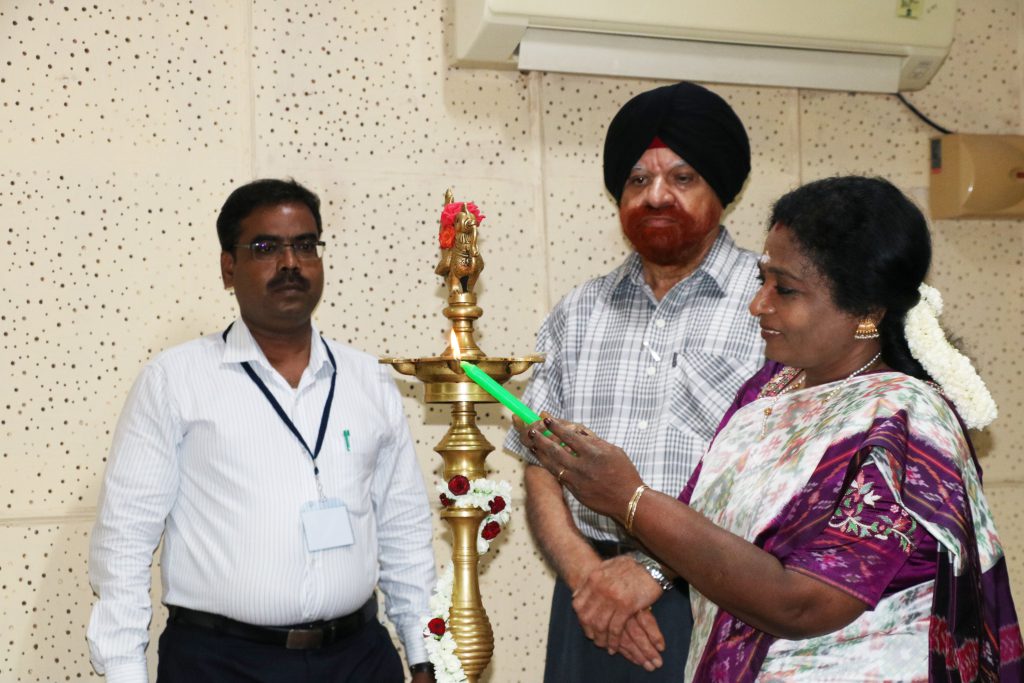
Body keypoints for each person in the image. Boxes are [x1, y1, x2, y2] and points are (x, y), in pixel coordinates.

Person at [517, 176, 1023, 681]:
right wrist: (627, 526)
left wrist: (628, 497)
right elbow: (700, 520)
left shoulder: (905, 423)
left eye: (785, 289)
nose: (758, 303)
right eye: (762, 280)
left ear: (866, 310)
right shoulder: (770, 389)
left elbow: (804, 604)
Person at [87, 179, 437, 683]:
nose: (291, 263)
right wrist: (124, 671)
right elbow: (124, 542)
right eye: (266, 248)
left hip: (358, 659)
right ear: (228, 267)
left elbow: (404, 532)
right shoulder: (175, 380)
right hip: (221, 664)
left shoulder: (369, 380)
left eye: (305, 245)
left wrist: (425, 656)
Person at [504, 81, 764, 680]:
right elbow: (540, 461)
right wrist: (587, 578)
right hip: (589, 604)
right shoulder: (579, 311)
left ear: (722, 189)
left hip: (721, 597)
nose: (656, 196)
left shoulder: (772, 304)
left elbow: (781, 474)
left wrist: (654, 570)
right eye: (638, 180)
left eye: (682, 177)